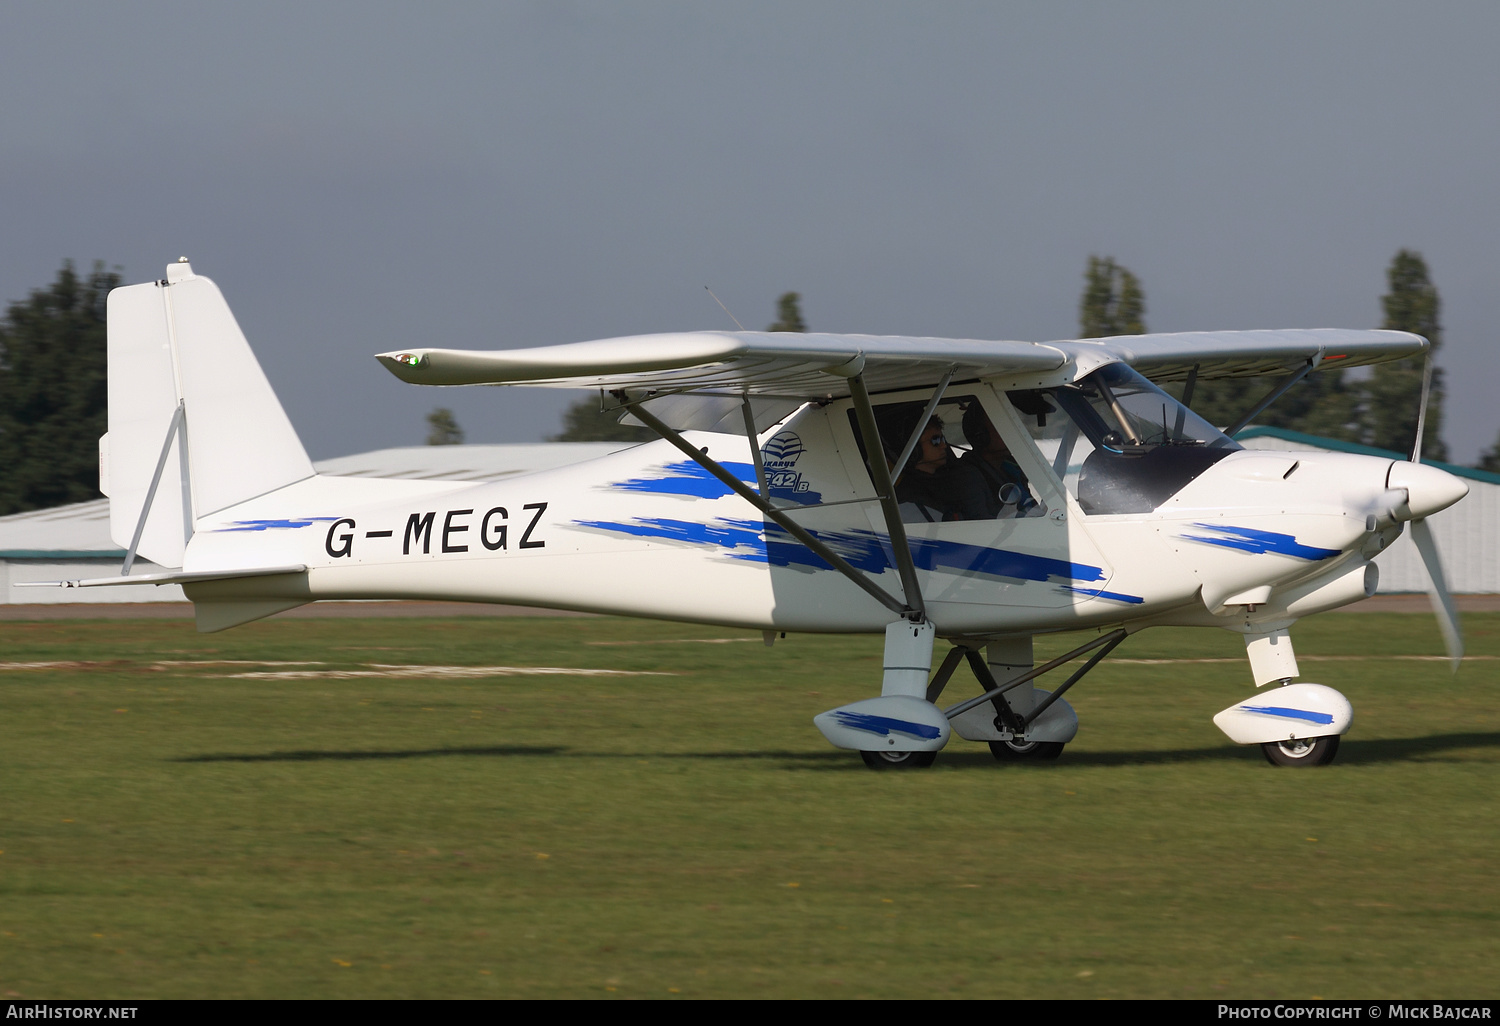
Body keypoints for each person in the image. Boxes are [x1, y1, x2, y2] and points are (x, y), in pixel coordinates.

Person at [893, 416, 990, 522]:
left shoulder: (952, 481)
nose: (944, 446)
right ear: (915, 448)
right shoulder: (909, 496)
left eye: (942, 439)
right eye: (935, 440)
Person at [960, 405, 1043, 518]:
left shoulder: (1012, 469)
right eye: (1001, 427)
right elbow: (982, 524)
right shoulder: (969, 477)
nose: (1009, 433)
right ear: (981, 436)